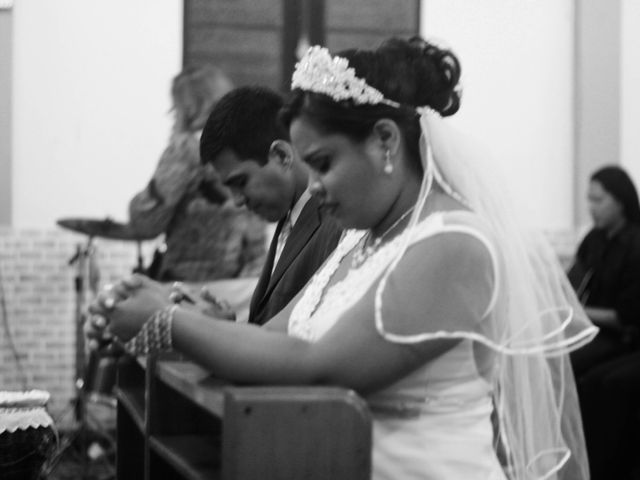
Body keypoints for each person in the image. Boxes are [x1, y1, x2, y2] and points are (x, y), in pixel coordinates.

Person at [88, 38, 597, 479]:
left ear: (384, 140)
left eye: (324, 164)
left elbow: (319, 371)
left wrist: (168, 321)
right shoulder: (361, 240)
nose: (313, 187)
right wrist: (175, 308)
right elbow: (270, 340)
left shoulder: (455, 241)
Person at [198, 86, 343, 325]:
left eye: (241, 182)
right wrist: (226, 328)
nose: (237, 201)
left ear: (281, 155)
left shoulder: (336, 223)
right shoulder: (289, 215)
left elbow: (312, 338)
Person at [128, 65, 267, 283]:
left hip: (191, 287)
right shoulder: (247, 144)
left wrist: (139, 205)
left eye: (175, 109)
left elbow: (146, 222)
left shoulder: (185, 150)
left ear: (188, 107)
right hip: (248, 282)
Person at [566, 165, 640, 479]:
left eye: (598, 200)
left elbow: (626, 317)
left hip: (621, 336)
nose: (591, 208)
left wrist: (575, 310)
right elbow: (571, 283)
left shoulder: (636, 245)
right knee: (548, 356)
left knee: (598, 380)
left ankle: (597, 463)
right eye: (589, 200)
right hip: (592, 328)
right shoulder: (593, 240)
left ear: (621, 201)